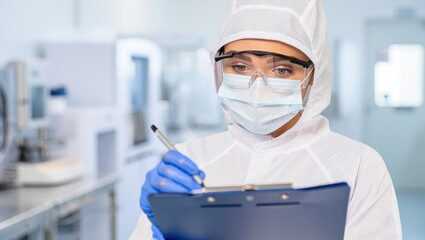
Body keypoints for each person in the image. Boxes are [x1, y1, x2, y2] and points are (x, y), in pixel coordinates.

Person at [130, 0, 402, 239]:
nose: (256, 85)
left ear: (313, 78)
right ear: (218, 69)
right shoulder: (188, 163)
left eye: (282, 70)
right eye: (239, 66)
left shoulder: (358, 166)